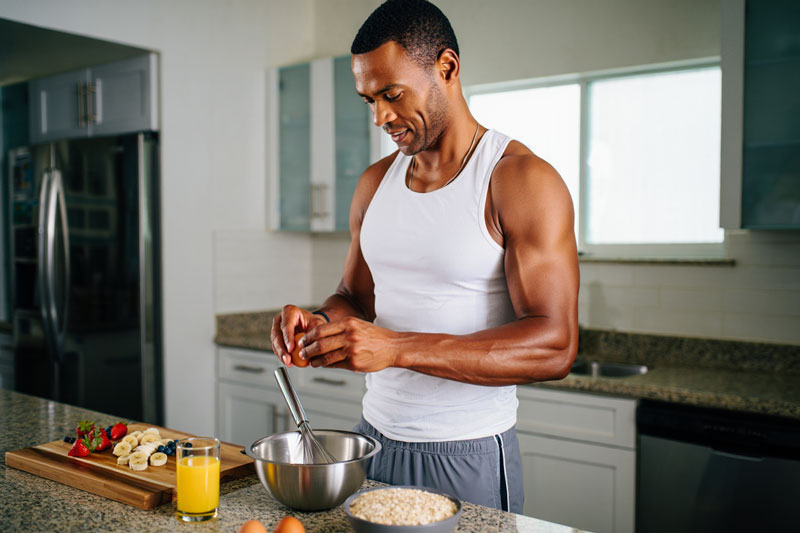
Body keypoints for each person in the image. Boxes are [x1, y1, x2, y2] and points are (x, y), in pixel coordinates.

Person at [271, 0, 579, 514]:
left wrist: (395, 349)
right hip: (372, 442)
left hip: (468, 453)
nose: (380, 118)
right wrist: (318, 323)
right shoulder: (375, 184)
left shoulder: (520, 180)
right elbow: (355, 297)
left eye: (391, 95)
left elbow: (555, 346)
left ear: (447, 68)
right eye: (368, 100)